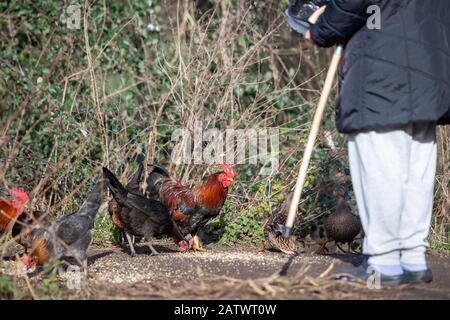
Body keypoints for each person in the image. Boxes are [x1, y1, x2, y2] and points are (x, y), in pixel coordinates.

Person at [303, 0, 450, 285]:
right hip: (430, 69)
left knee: (380, 169)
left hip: (382, 74)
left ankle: (383, 262)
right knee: (415, 171)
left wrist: (321, 29)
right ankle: (412, 257)